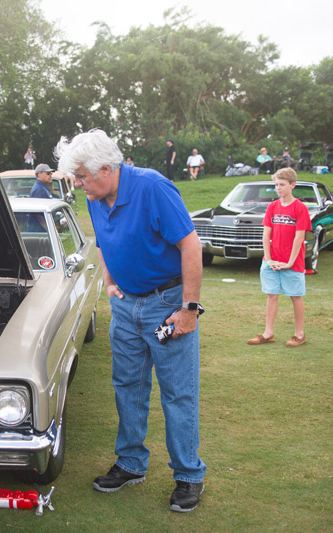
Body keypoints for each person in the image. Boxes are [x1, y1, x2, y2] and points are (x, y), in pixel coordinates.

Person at [55, 129, 206, 513]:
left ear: (107, 168)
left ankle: (188, 475)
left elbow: (190, 244)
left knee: (177, 393)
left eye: (83, 176)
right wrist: (109, 280)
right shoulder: (94, 194)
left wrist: (189, 310)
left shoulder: (153, 187)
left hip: (166, 307)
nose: (78, 184)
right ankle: (131, 463)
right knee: (127, 385)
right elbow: (104, 242)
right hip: (126, 310)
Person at [247, 167, 311, 348]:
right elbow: (265, 235)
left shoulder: (300, 208)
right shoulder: (272, 207)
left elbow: (299, 237)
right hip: (271, 262)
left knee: (295, 296)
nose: (278, 188)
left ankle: (299, 334)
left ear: (292, 185)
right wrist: (268, 259)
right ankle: (268, 333)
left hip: (293, 263)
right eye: (276, 184)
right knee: (271, 295)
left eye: (282, 185)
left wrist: (289, 262)